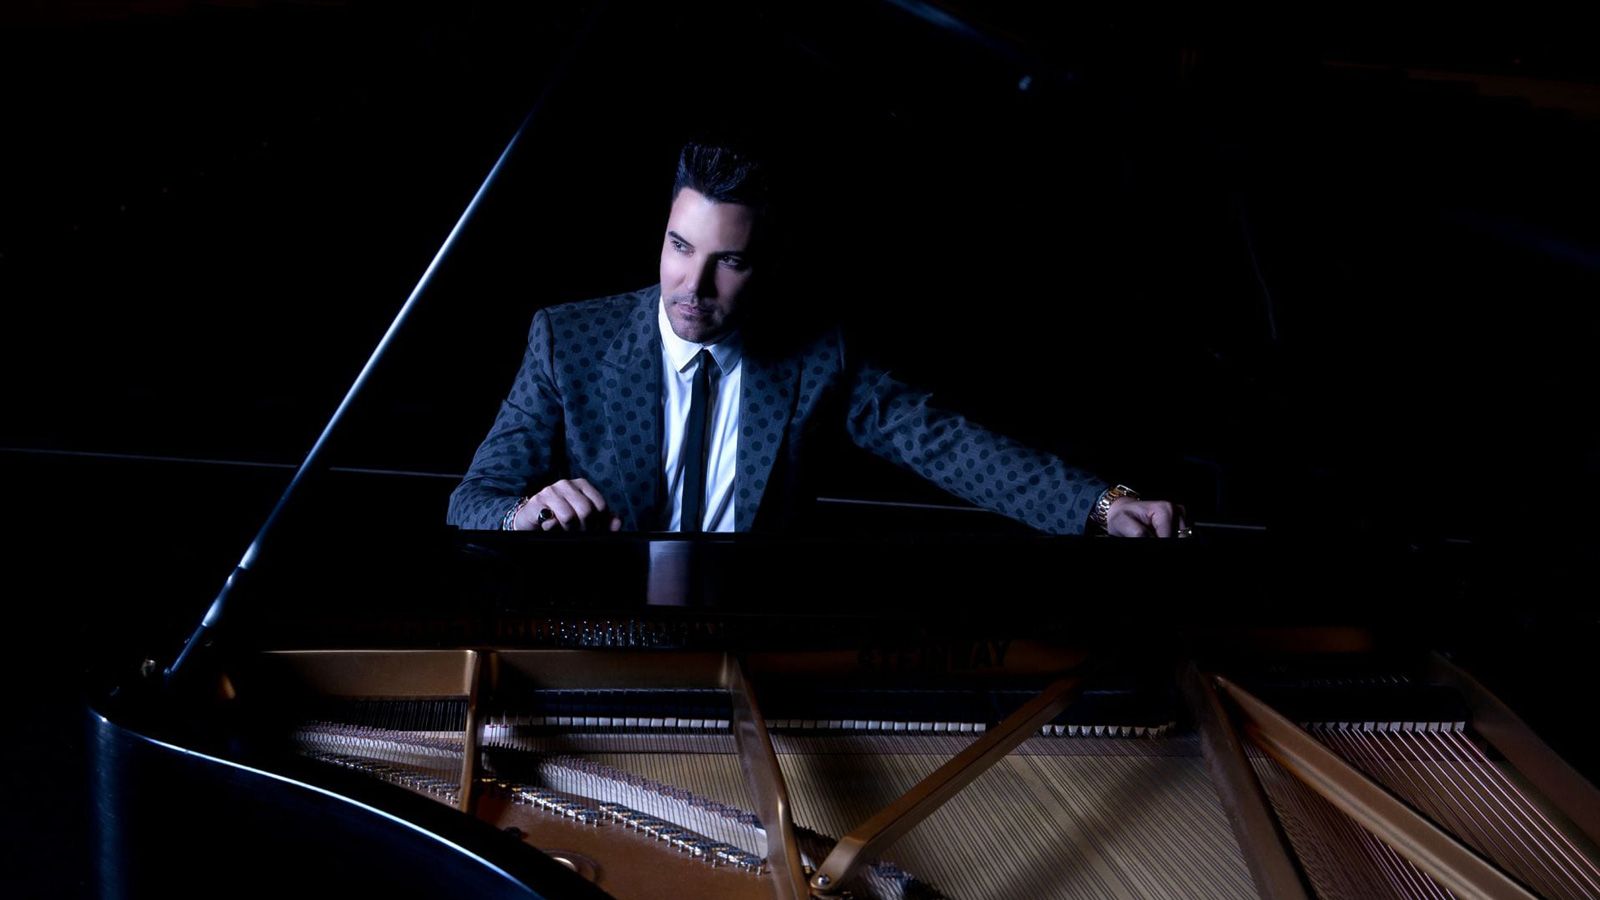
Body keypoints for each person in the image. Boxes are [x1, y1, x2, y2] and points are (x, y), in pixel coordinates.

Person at [447, 141, 1187, 537]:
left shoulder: (815, 354)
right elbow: (470, 500)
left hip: (759, 657)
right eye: (678, 247)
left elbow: (947, 443)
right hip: (600, 654)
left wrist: (1103, 505)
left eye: (726, 262)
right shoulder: (567, 341)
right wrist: (524, 516)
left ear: (765, 266)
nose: (690, 287)